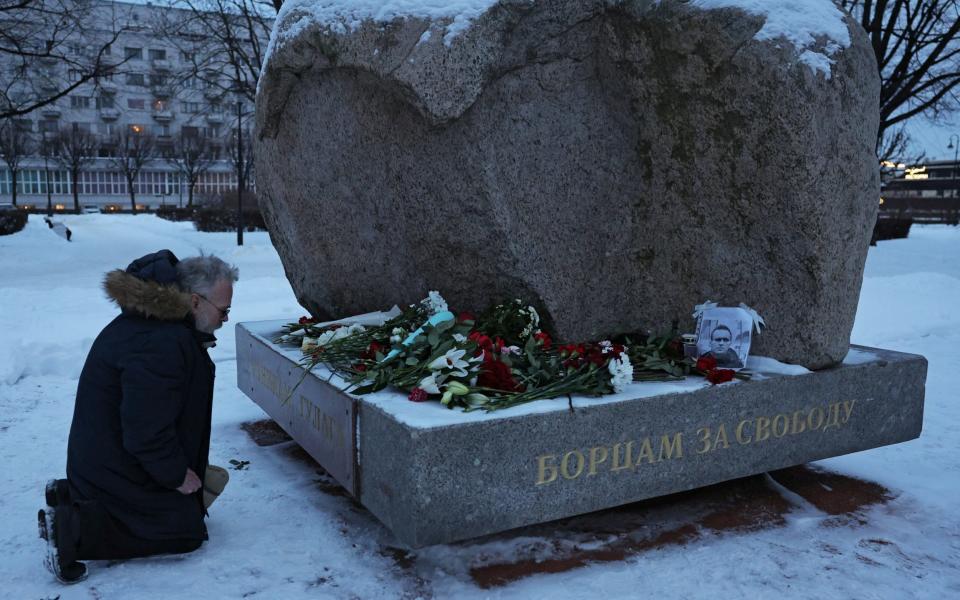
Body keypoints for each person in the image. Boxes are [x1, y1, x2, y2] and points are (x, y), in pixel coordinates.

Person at [38, 249, 238, 584]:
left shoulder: (157, 329)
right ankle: (74, 527)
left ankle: (70, 496)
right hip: (119, 467)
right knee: (185, 535)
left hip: (112, 463)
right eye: (224, 310)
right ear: (194, 302)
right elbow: (146, 431)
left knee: (194, 505)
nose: (225, 319)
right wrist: (176, 475)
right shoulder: (160, 343)